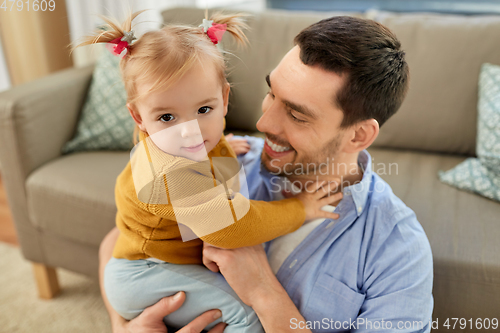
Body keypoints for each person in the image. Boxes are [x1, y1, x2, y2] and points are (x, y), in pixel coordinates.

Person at [100, 14, 434, 333]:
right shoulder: (217, 154)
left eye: (297, 115)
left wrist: (263, 292)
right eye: (271, 93)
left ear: (358, 135)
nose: (263, 125)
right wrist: (123, 325)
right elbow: (117, 239)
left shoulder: (397, 249)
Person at [77, 10, 342, 333]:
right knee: (246, 315)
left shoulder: (195, 144)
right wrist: (299, 208)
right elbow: (233, 226)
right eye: (166, 118)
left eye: (204, 110)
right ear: (138, 118)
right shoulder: (172, 175)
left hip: (153, 264)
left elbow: (200, 140)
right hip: (146, 273)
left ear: (224, 99)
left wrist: (222, 147)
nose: (190, 132)